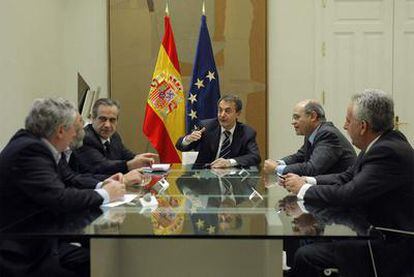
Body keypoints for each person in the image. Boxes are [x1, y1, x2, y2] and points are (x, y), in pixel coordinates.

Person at [282, 89, 414, 276]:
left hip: (389, 245)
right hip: (372, 231)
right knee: (307, 239)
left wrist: (303, 189)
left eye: (348, 121)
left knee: (306, 254)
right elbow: (346, 176)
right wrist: (308, 181)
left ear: (363, 126)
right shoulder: (382, 143)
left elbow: (349, 193)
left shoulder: (386, 152)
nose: (344, 126)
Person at [0, 98, 127, 277]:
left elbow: (70, 179)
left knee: (99, 258)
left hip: (42, 239)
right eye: (75, 129)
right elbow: (60, 198)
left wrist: (102, 184)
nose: (77, 134)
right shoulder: (30, 151)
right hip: (21, 252)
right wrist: (105, 194)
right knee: (97, 262)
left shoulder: (41, 146)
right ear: (60, 131)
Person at [264, 100, 356, 176]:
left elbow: (312, 168)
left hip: (341, 192)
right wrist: (279, 163)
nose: (293, 122)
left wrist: (277, 169)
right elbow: (299, 157)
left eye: (297, 117)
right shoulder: (312, 133)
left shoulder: (327, 135)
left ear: (313, 116)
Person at [72, 98, 158, 174]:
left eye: (112, 120)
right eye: (103, 119)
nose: (107, 125)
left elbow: (126, 155)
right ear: (92, 118)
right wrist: (130, 164)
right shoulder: (85, 138)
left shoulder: (114, 136)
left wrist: (140, 158)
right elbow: (102, 166)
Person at [175, 94, 261, 168]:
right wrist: (188, 139)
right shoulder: (206, 127)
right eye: (220, 110)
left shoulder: (247, 132)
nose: (222, 115)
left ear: (238, 113)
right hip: (204, 179)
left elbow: (255, 157)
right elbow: (180, 146)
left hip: (234, 181)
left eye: (227, 111)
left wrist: (229, 162)